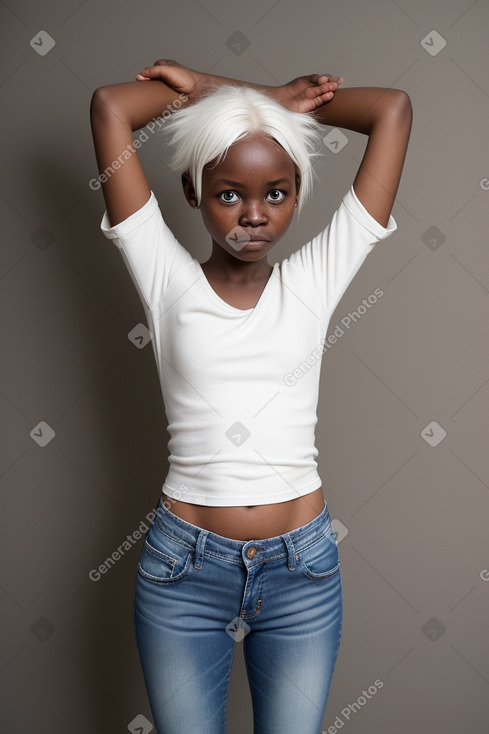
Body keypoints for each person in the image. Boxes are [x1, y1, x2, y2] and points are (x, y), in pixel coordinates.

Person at [90, 59, 412, 734]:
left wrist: (275, 107)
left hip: (302, 572)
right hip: (183, 573)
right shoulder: (164, 276)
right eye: (230, 194)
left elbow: (392, 111)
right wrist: (230, 98)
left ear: (297, 196)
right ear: (192, 190)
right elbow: (109, 110)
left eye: (277, 193)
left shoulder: (314, 281)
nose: (255, 214)